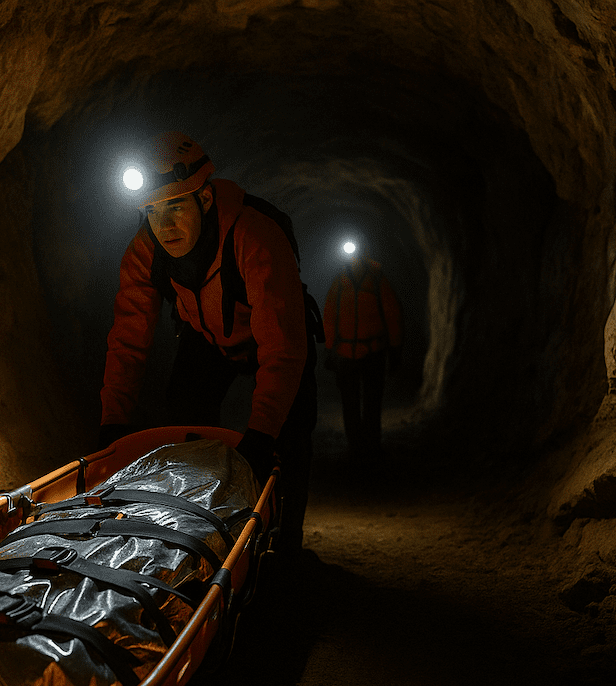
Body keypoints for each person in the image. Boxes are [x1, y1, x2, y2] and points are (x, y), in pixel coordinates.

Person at [99, 131, 319, 554]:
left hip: (274, 339)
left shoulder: (254, 235)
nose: (164, 226)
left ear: (204, 199)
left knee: (290, 437)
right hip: (208, 338)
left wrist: (260, 434)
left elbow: (284, 347)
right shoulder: (145, 251)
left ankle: (286, 544)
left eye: (176, 206)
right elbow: (128, 338)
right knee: (185, 420)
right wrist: (112, 425)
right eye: (152, 211)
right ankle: (191, 534)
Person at [322, 251, 403, 459]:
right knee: (364, 402)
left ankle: (363, 445)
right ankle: (364, 446)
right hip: (362, 352)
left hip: (361, 352)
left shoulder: (349, 281)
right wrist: (394, 347)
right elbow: (330, 316)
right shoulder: (356, 280)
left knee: (361, 402)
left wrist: (329, 349)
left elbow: (330, 316)